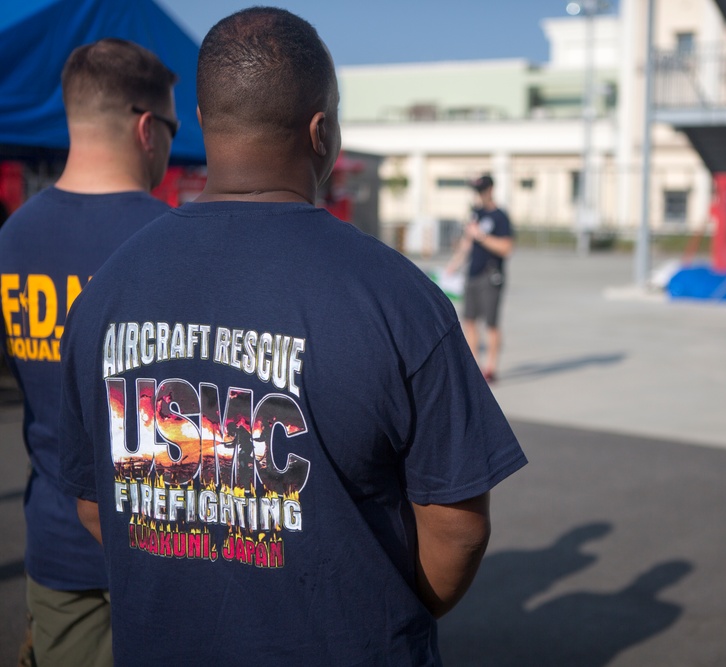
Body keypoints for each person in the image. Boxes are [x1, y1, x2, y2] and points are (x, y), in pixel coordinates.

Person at [57, 8, 526, 665]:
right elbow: (456, 523)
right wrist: (383, 600)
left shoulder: (105, 292)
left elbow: (90, 500)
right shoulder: (397, 297)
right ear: (321, 129)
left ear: (201, 119)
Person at [0, 38, 178, 666]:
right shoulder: (169, 241)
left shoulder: (12, 238)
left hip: (55, 542)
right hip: (163, 546)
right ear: (146, 128)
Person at [445, 174, 515, 382]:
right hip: (472, 275)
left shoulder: (500, 217)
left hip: (490, 277)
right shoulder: (475, 213)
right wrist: (454, 265)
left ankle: (491, 369)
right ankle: (474, 367)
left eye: (481, 191)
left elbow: (507, 248)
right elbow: (468, 242)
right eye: (475, 191)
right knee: (469, 321)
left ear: (490, 190)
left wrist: (482, 237)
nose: (478, 195)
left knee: (491, 324)